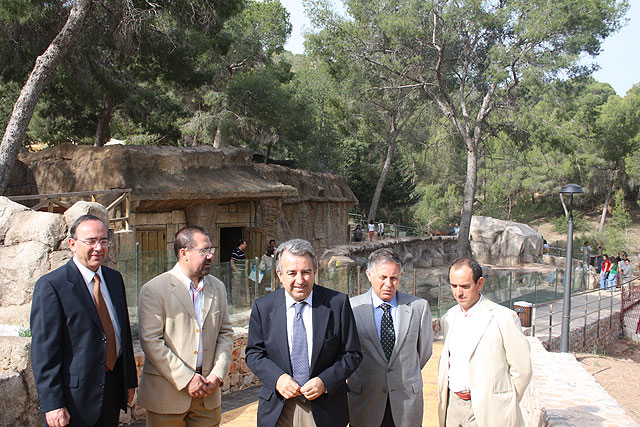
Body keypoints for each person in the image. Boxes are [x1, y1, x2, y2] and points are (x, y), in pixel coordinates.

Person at [31, 214, 137, 427]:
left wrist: (129, 380)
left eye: (104, 241)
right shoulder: (52, 286)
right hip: (74, 400)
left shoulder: (114, 279)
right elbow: (44, 352)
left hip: (111, 389)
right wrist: (52, 404)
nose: (98, 247)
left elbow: (122, 333)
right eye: (90, 241)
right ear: (72, 244)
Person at [245, 239, 362, 427]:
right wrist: (278, 379)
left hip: (325, 408)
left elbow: (352, 354)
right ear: (279, 274)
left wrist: (325, 381)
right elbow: (254, 353)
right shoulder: (263, 307)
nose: (300, 280)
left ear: (315, 271)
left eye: (306, 272)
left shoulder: (337, 304)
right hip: (279, 409)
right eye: (292, 273)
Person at [137, 226, 234, 427]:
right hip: (167, 396)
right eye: (204, 250)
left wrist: (217, 374)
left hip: (208, 395)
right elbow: (151, 341)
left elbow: (225, 333)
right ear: (184, 253)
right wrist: (188, 379)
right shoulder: (154, 289)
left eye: (211, 250)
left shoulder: (218, 287)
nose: (210, 256)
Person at [438, 258, 532, 427]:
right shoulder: (448, 318)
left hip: (489, 410)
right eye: (454, 286)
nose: (458, 293)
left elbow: (522, 370)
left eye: (465, 286)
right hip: (453, 407)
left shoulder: (504, 318)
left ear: (480, 283)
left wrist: (504, 403)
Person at [348, 249, 433, 427]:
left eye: (394, 278)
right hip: (365, 402)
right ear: (369, 275)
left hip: (406, 404)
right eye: (383, 277)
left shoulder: (419, 307)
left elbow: (423, 352)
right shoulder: (351, 308)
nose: (388, 284)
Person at [230, 238, 248, 305]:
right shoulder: (236, 251)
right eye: (245, 244)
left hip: (242, 272)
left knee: (241, 287)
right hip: (237, 273)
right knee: (237, 287)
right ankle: (235, 302)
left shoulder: (242, 252)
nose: (246, 245)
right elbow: (232, 262)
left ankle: (240, 302)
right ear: (241, 244)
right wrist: (237, 271)